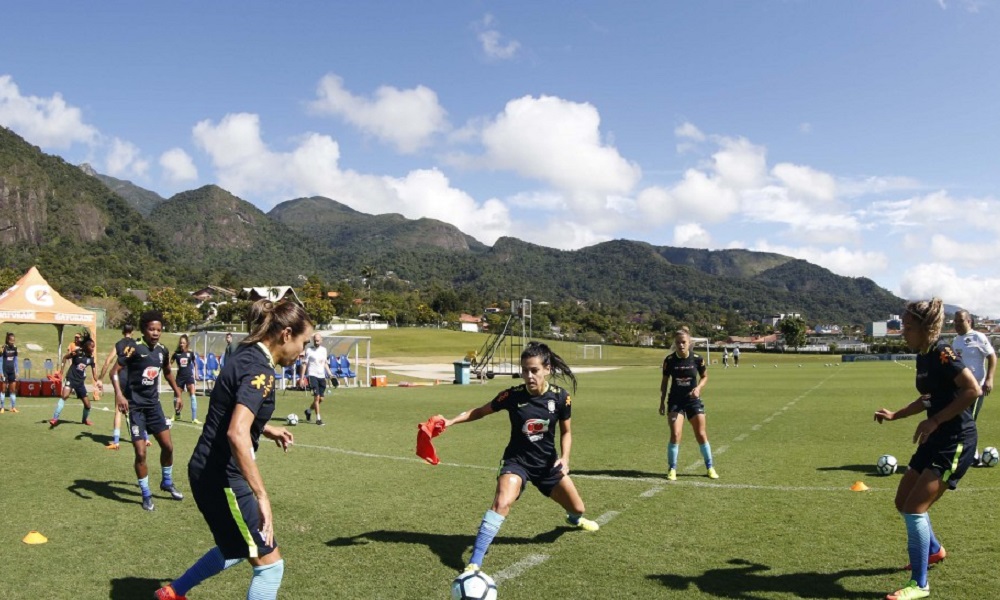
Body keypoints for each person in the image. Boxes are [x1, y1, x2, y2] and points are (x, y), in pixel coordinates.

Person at [154, 300, 310, 600]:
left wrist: (265, 428)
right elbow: (236, 433)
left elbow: (229, 408)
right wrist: (262, 496)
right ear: (287, 334)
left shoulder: (244, 353)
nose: (303, 351)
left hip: (208, 470)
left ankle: (173, 592)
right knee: (270, 567)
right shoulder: (260, 370)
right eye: (303, 342)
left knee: (238, 548)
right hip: (222, 476)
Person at [443, 341, 599, 574]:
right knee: (501, 503)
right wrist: (451, 421)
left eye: (534, 370)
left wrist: (565, 459)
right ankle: (474, 563)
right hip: (517, 462)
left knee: (578, 508)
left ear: (547, 369)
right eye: (525, 370)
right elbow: (480, 411)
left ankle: (574, 519)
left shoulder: (560, 398)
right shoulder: (512, 395)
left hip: (547, 465)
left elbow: (566, 432)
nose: (529, 376)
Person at [874, 298, 982, 600]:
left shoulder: (942, 353)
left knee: (914, 508)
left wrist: (934, 420)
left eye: (908, 327)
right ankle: (934, 550)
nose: (903, 332)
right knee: (902, 501)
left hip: (955, 440)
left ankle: (919, 584)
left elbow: (972, 390)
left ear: (925, 328)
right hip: (935, 437)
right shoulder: (923, 356)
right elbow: (928, 398)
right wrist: (896, 415)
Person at [110, 310, 185, 511]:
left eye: (158, 329)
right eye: (151, 329)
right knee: (141, 453)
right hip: (135, 408)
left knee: (168, 447)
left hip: (154, 407)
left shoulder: (162, 351)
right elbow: (114, 372)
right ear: (144, 329)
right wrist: (120, 395)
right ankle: (145, 494)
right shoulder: (133, 348)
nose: (155, 333)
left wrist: (177, 392)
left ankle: (167, 482)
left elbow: (167, 372)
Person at [660, 327, 717, 481]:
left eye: (683, 342)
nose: (681, 345)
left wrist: (698, 388)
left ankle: (710, 467)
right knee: (675, 434)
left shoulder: (697, 359)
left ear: (689, 342)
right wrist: (662, 402)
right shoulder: (669, 360)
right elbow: (664, 382)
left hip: (693, 401)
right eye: (678, 342)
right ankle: (672, 468)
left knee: (701, 434)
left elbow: (704, 376)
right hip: (675, 401)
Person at [950, 309, 996, 465]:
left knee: (969, 421)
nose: (957, 324)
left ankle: (973, 456)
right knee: (961, 421)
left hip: (976, 388)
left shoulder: (978, 337)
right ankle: (969, 454)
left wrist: (989, 379)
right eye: (955, 321)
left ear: (969, 321)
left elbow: (992, 356)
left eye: (960, 321)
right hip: (960, 389)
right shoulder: (956, 341)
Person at [98, 324, 149, 450]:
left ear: (122, 332)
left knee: (118, 411)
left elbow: (108, 361)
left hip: (121, 379)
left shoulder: (119, 344)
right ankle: (145, 438)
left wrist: (100, 379)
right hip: (134, 379)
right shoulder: (136, 344)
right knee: (138, 409)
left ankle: (116, 441)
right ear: (132, 331)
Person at [50, 335, 101, 427]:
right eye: (92, 347)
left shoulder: (91, 359)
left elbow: (94, 375)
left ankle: (84, 420)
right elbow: (65, 357)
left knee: (88, 405)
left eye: (94, 347)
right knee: (64, 396)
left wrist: (98, 382)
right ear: (86, 346)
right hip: (71, 378)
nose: (93, 349)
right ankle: (55, 418)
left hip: (80, 383)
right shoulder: (77, 352)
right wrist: (61, 371)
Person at [301, 333, 334, 426]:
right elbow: (304, 364)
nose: (316, 342)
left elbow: (325, 363)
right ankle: (318, 419)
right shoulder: (309, 350)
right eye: (315, 340)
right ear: (313, 340)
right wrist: (302, 378)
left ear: (321, 340)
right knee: (316, 397)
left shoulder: (324, 350)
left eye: (318, 340)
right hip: (312, 375)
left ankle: (308, 411)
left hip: (321, 376)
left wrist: (330, 374)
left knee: (321, 399)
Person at [172, 334, 201, 424]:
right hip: (180, 377)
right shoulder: (176, 354)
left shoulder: (190, 353)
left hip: (189, 376)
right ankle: (177, 414)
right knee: (176, 397)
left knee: (193, 395)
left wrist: (196, 374)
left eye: (183, 343)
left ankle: (194, 418)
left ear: (187, 343)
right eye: (181, 343)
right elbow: (169, 364)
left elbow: (195, 363)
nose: (181, 344)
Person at [1, 332, 18, 413]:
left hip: (12, 372)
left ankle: (13, 407)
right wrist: (1, 372)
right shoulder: (3, 348)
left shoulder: (15, 348)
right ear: (8, 340)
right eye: (11, 340)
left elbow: (15, 360)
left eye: (14, 340)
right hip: (4, 371)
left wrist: (17, 371)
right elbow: (0, 361)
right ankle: (2, 407)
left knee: (13, 390)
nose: (13, 342)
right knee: (3, 390)